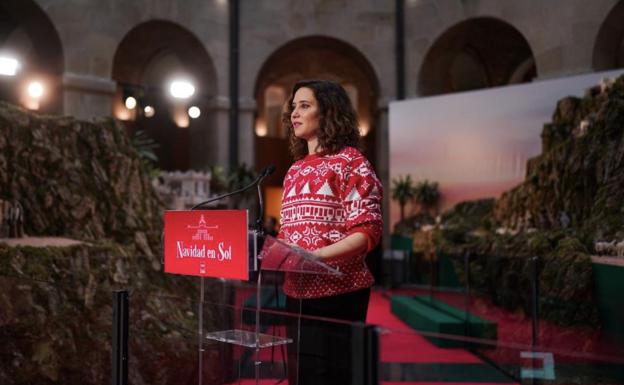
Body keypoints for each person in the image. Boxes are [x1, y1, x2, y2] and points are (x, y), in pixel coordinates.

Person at [277, 79, 383, 385]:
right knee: (302, 376)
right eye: (293, 106)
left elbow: (367, 231)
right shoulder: (294, 170)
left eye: (305, 105)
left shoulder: (352, 162)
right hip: (295, 294)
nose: (294, 113)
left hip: (339, 295)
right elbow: (286, 234)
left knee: (335, 377)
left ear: (328, 112)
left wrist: (316, 257)